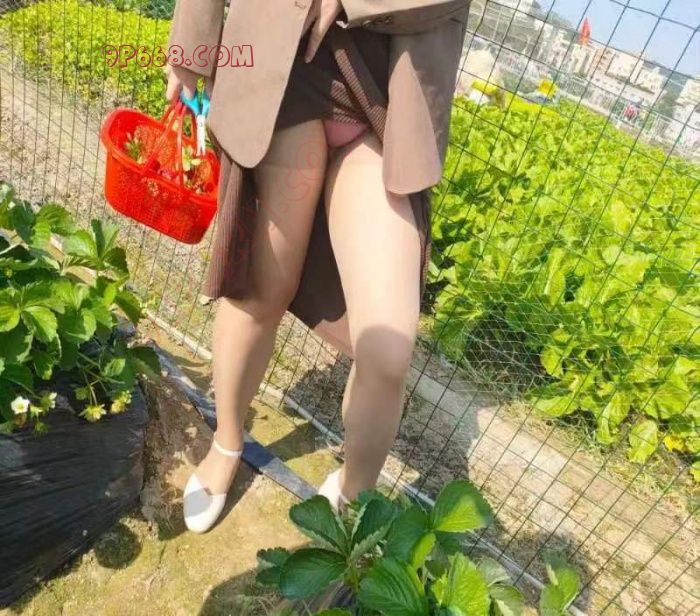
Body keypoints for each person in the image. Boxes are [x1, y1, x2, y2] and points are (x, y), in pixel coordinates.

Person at [165, 0, 470, 533]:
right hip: (279, 69)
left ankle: (353, 492)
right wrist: (191, 44)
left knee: (388, 349)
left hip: (387, 92)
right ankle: (227, 442)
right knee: (262, 290)